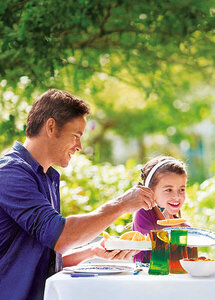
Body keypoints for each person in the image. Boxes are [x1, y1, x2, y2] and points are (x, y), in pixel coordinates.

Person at [0, 89, 156, 300]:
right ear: (51, 126)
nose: (80, 146)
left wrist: (92, 252)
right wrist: (121, 204)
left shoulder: (46, 177)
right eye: (76, 136)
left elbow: (44, 258)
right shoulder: (11, 173)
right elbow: (61, 236)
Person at [132, 156, 192, 263]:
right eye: (168, 190)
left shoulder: (185, 227)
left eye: (181, 189)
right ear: (150, 192)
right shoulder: (143, 214)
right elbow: (159, 252)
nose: (177, 196)